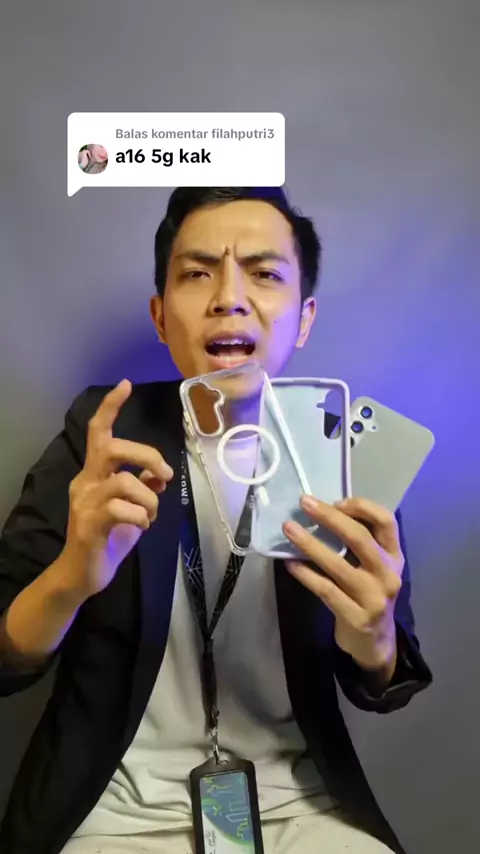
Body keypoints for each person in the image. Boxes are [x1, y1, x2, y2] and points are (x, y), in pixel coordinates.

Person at [0, 187, 432, 854]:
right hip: (114, 813)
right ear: (160, 315)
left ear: (304, 318)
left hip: (301, 808)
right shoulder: (102, 440)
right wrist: (70, 578)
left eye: (264, 274)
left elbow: (384, 684)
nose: (229, 297)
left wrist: (375, 638)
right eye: (198, 273)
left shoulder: (342, 458)